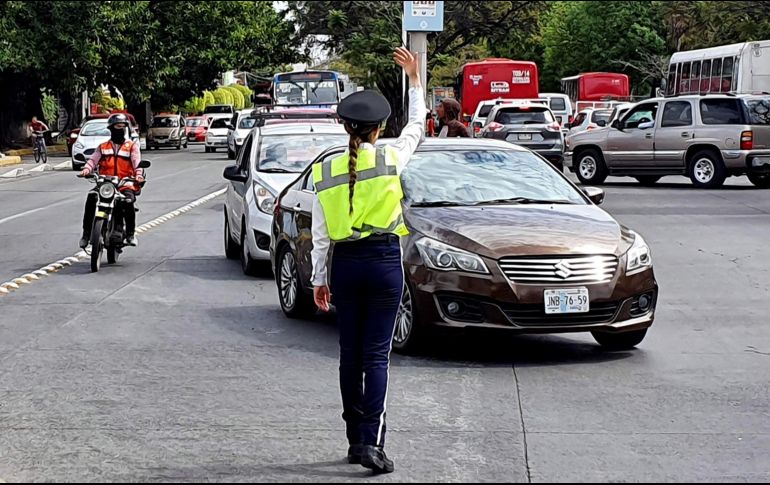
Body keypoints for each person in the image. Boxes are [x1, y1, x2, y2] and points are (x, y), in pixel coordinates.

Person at [310, 47, 426, 475]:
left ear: (344, 126)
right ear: (380, 129)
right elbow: (417, 125)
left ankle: (354, 439)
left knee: (349, 355)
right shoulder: (392, 156)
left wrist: (319, 280)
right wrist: (414, 79)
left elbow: (320, 236)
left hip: (345, 266)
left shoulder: (324, 171)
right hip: (382, 264)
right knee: (377, 356)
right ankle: (371, 445)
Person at [78, 113, 145, 249]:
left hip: (125, 183)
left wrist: (138, 175)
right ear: (111, 129)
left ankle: (130, 234)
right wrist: (86, 169)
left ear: (126, 129)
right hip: (105, 183)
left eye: (122, 127)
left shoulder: (132, 146)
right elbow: (93, 160)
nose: (119, 129)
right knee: (92, 197)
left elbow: (137, 163)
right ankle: (86, 234)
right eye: (116, 127)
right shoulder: (103, 146)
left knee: (127, 202)